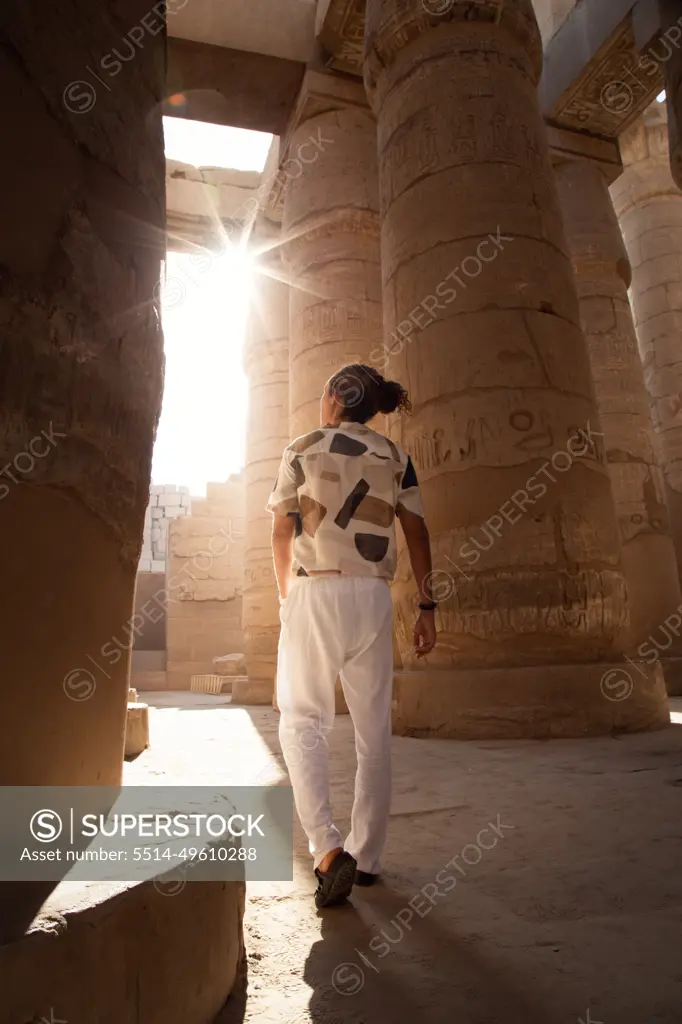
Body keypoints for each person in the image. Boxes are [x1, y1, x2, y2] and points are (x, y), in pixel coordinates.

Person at [266, 363, 436, 908]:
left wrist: (285, 597)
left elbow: (280, 528)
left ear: (338, 397)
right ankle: (367, 857)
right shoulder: (395, 456)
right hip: (371, 597)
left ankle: (326, 849)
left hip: (314, 591)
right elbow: (416, 530)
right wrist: (428, 605)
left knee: (303, 721)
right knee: (372, 731)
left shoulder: (302, 447)